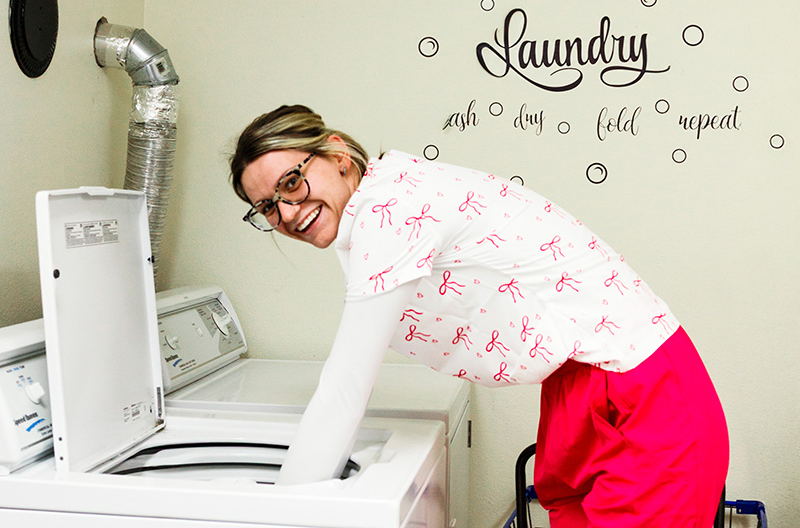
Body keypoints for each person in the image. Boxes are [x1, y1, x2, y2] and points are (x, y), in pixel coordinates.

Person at [229, 104, 729, 527]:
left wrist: (279, 512)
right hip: (584, 381)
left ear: (337, 155)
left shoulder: (390, 209)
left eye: (291, 182)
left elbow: (345, 388)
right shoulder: (385, 194)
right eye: (267, 208)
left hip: (640, 387)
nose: (288, 213)